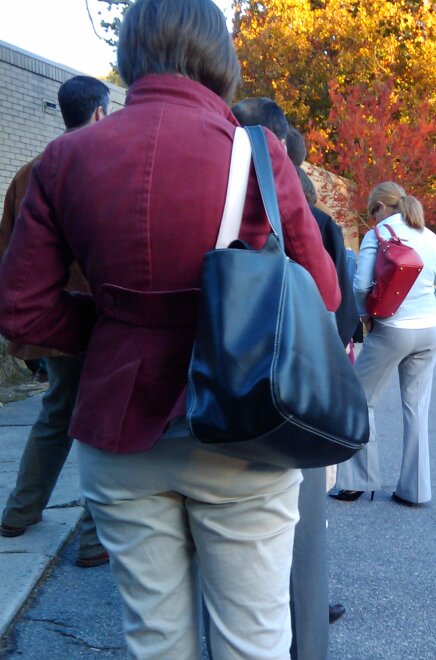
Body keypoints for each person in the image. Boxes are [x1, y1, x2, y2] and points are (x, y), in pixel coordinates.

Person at [0, 1, 342, 657]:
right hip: (242, 429)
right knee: (255, 639)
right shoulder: (257, 156)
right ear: (220, 56)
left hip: (117, 426)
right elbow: (321, 291)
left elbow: (21, 312)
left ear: (130, 54)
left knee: (155, 640)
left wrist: (113, 329)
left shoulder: (64, 158)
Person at [231, 96, 356, 657]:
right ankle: (307, 633)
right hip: (298, 386)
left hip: (237, 387)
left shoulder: (234, 191)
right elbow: (338, 303)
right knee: (303, 527)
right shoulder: (315, 216)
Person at [0, 76, 109, 568]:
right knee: (104, 423)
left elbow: (7, 251)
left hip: (47, 319)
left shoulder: (26, 171)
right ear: (101, 113)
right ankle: (92, 539)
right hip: (96, 316)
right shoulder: (103, 165)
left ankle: (20, 511)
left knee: (56, 411)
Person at [333, 182, 436, 506]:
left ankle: (356, 481)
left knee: (359, 398)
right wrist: (422, 304)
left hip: (392, 328)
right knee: (417, 409)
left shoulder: (378, 234)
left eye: (372, 212)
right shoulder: (431, 237)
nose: (372, 219)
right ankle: (415, 490)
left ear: (380, 208)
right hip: (430, 330)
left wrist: (371, 312)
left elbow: (360, 285)